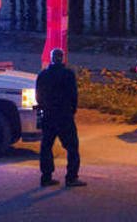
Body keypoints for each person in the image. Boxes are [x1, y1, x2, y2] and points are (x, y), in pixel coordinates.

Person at [36, 48, 86, 188]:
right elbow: (73, 94)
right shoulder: (68, 74)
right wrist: (72, 110)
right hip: (64, 116)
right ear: (62, 58)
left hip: (49, 115)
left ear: (51, 58)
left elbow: (38, 96)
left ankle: (46, 177)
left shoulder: (43, 75)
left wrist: (43, 108)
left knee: (46, 147)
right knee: (72, 147)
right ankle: (71, 177)